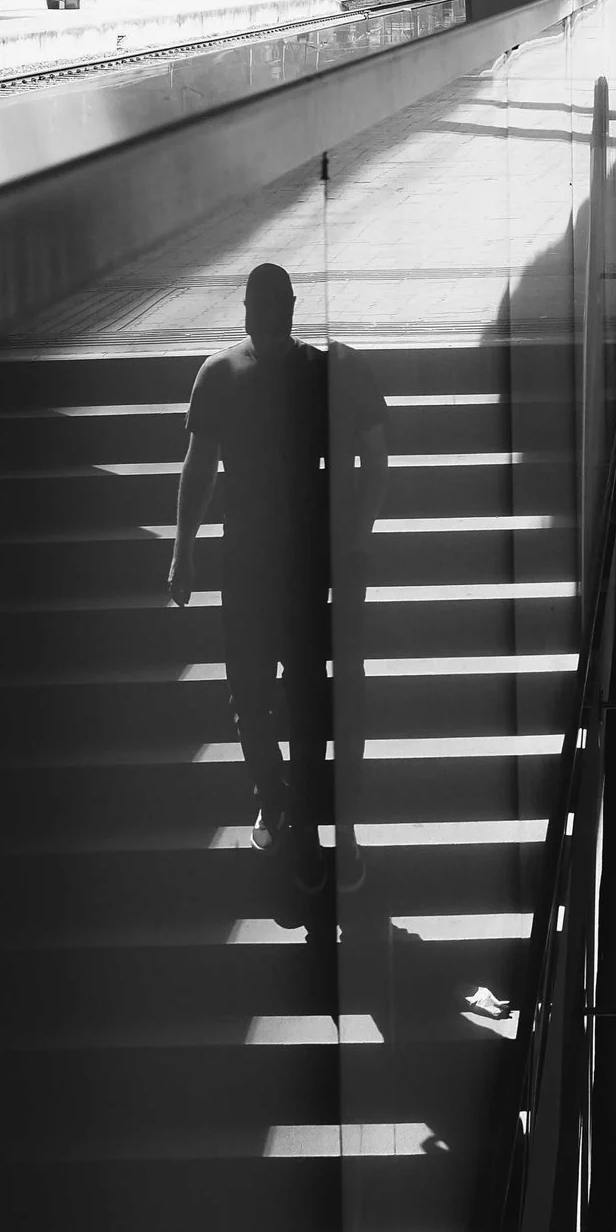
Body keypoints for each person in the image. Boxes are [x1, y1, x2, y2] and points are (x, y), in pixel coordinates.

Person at [167, 264, 389, 896]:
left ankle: (294, 809)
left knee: (281, 692)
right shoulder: (244, 373)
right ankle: (284, 801)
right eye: (261, 309)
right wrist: (183, 550)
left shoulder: (272, 371)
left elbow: (201, 467)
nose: (266, 321)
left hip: (289, 562)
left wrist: (184, 552)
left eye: (272, 309)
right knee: (264, 690)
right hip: (271, 561)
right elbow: (200, 467)